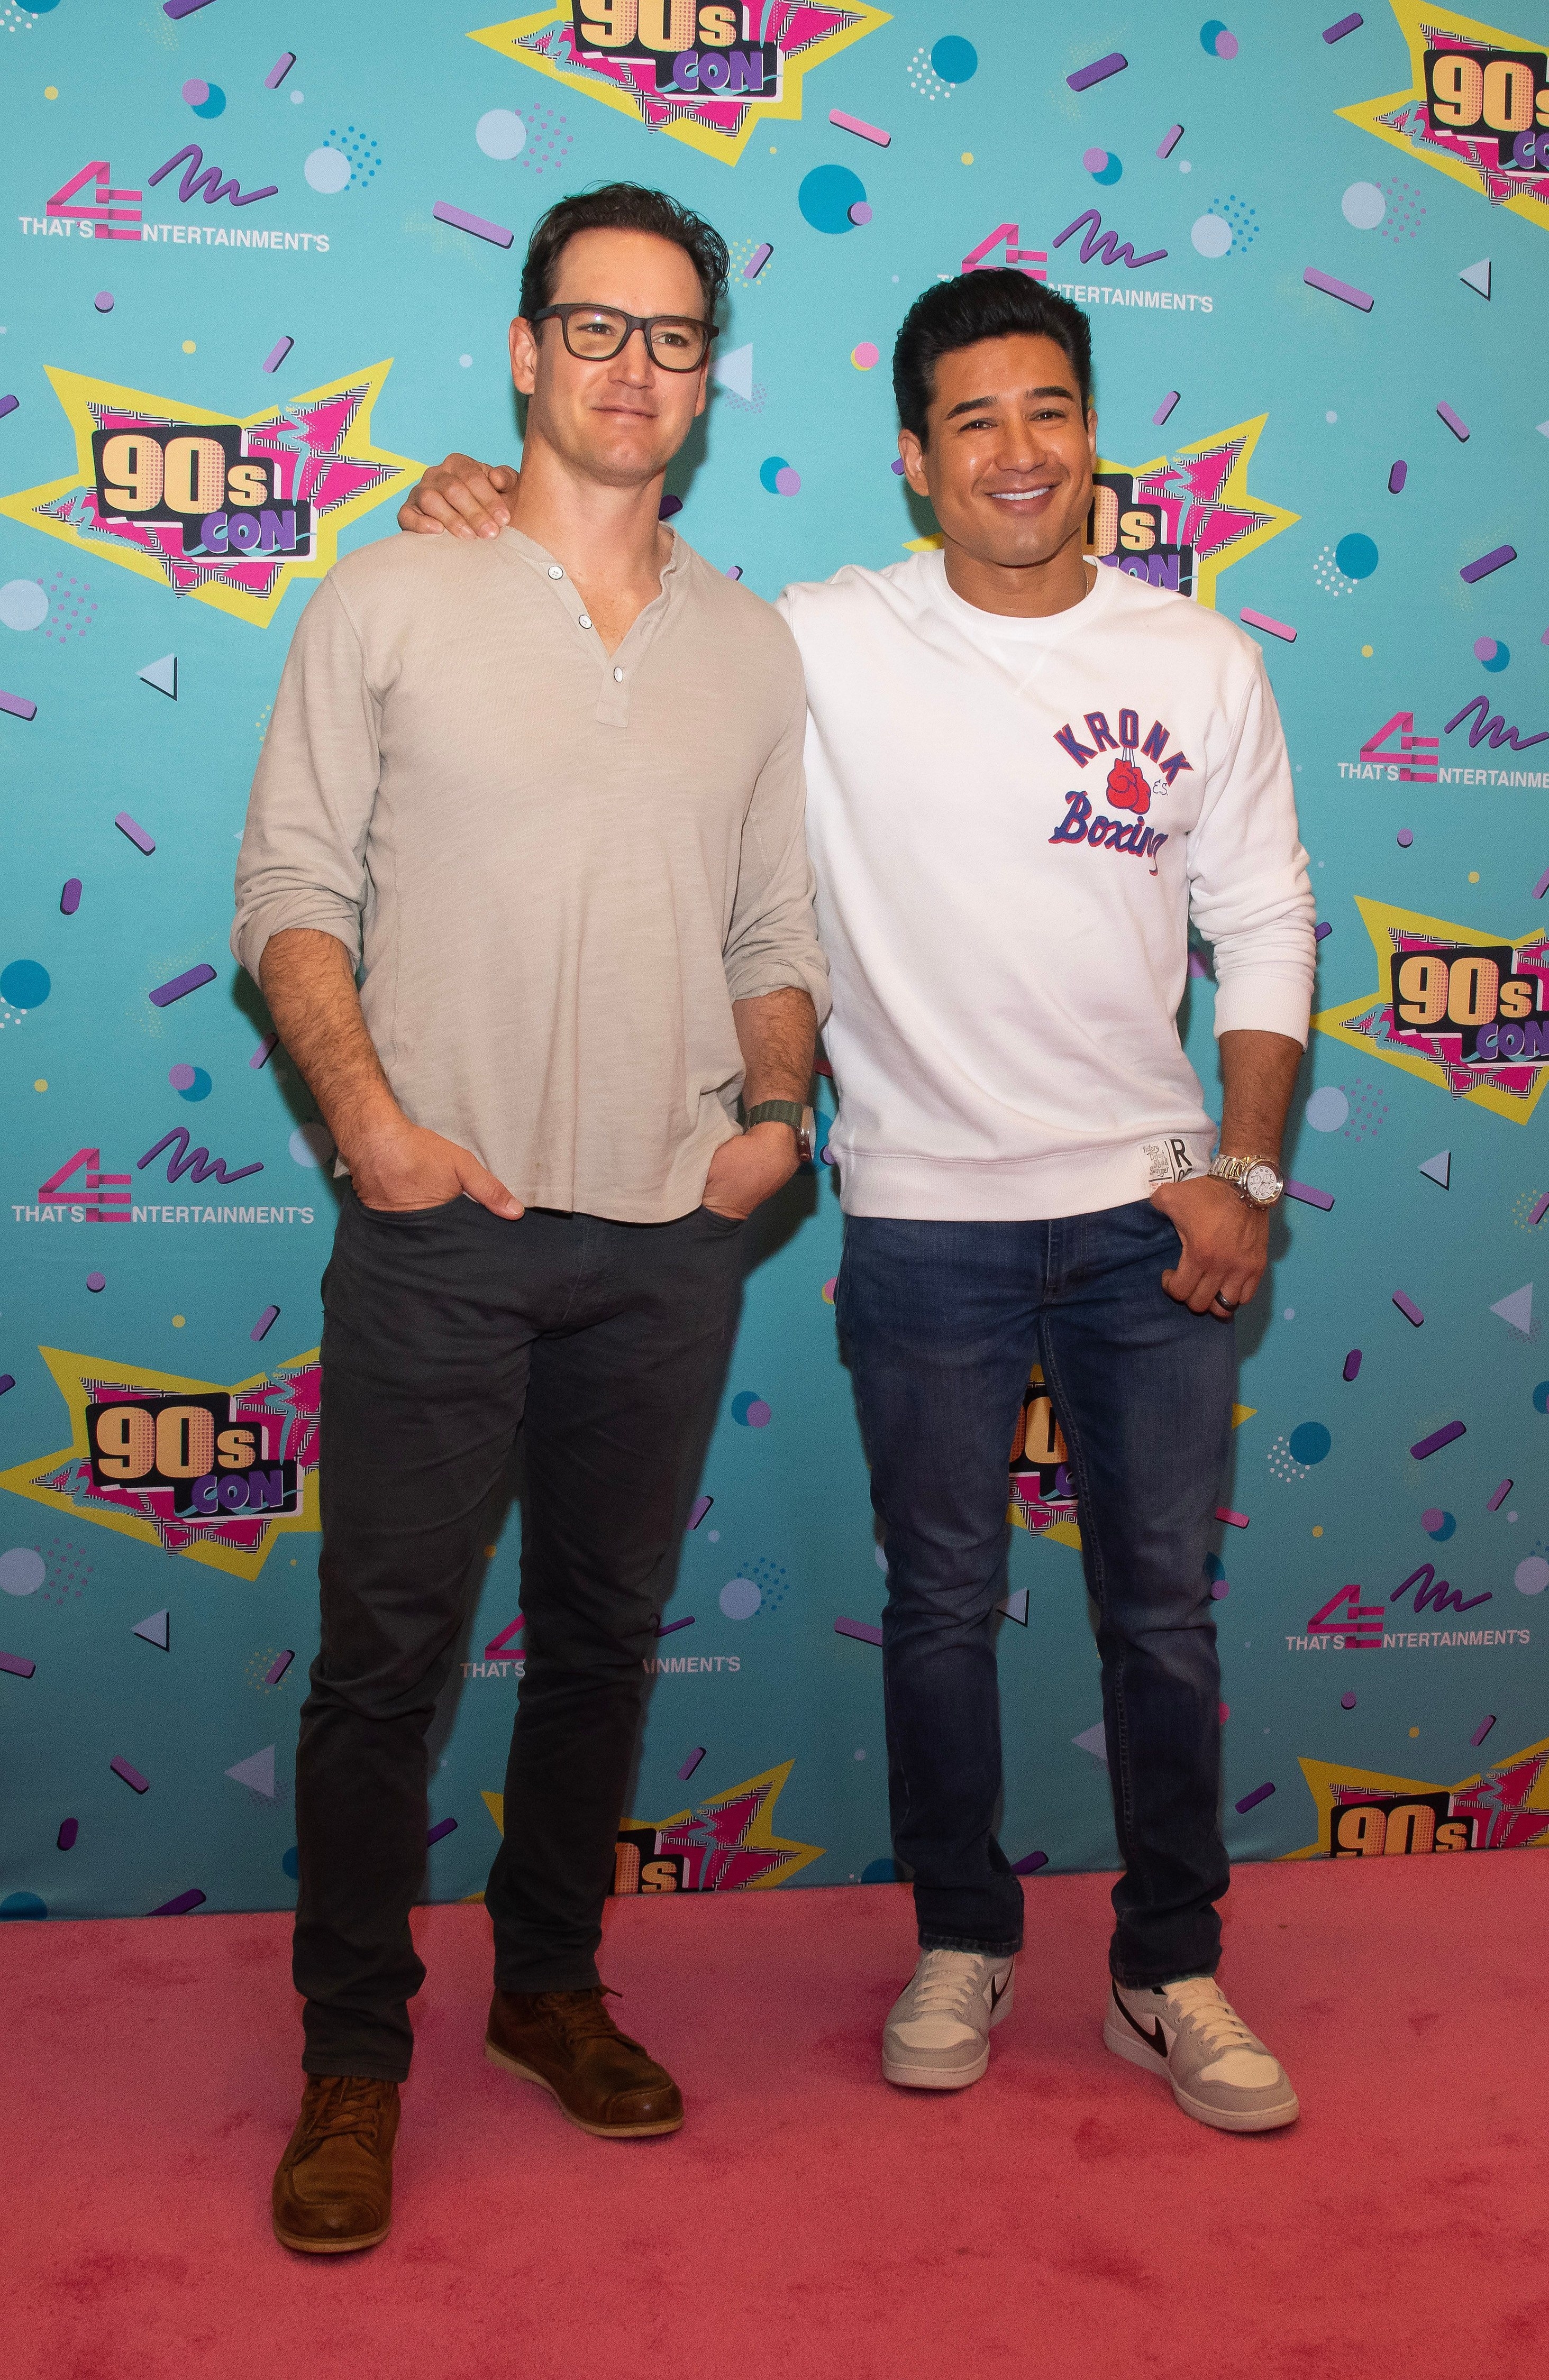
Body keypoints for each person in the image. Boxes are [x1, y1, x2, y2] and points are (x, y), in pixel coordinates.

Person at [399, 266, 1315, 2135]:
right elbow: (626, 583)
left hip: (1156, 1219)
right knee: (942, 1610)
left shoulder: (1202, 661)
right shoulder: (818, 636)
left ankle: (1169, 1965)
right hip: (917, 1224)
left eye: (1046, 408)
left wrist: (1248, 1174)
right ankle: (962, 1938)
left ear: (1092, 433)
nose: (1015, 448)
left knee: (1161, 1613)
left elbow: (1270, 928)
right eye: (972, 418)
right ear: (913, 457)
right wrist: (487, 504)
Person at [235, 182, 828, 2256]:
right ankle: (354, 2057)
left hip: (675, 1232)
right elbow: (289, 893)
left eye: (673, 338)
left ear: (707, 372)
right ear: (521, 344)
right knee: (384, 1661)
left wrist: (777, 1108)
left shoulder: (755, 648)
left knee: (598, 1648)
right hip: (440, 1224)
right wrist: (377, 1130)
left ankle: (551, 1991)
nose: (632, 369)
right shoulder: (390, 597)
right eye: (596, 327)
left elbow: (775, 929)